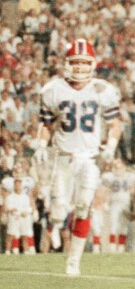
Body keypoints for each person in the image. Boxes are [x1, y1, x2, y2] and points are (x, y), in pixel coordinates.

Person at [30, 39, 126, 276]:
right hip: (62, 157)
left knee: (84, 206)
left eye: (85, 62)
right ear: (67, 64)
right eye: (77, 62)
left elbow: (115, 124)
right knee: (59, 211)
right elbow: (46, 124)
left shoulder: (103, 90)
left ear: (92, 64)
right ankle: (54, 224)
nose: (81, 67)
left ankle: (74, 261)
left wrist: (111, 146)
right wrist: (41, 144)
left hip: (89, 158)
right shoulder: (52, 90)